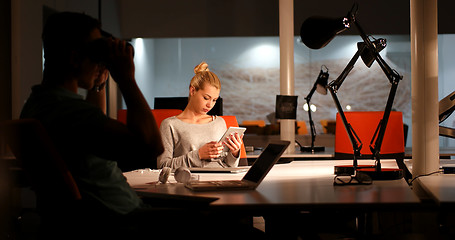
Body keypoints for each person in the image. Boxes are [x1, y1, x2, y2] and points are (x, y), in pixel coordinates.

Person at [158, 61, 244, 169]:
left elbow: (228, 165)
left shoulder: (219, 122)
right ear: (192, 90)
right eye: (206, 98)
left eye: (214, 100)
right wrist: (198, 155)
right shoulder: (170, 125)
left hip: (221, 180)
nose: (210, 105)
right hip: (190, 181)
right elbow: (162, 166)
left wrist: (234, 153)